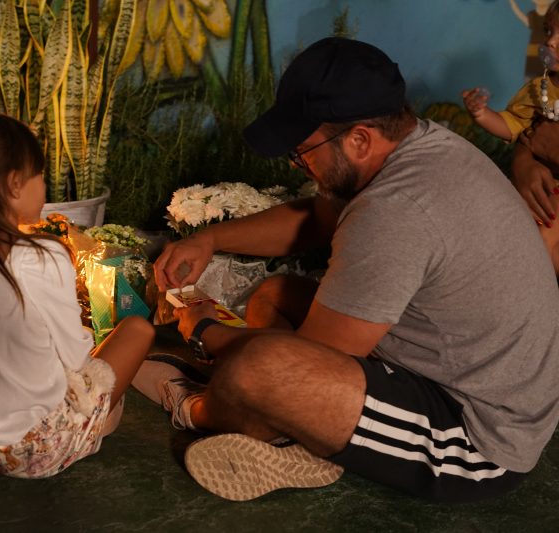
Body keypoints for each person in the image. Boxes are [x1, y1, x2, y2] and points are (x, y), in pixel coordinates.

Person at [137, 37, 559, 503]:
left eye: (303, 151)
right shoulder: (415, 142)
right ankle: (294, 436)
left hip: (474, 435)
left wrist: (204, 332)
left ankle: (195, 407)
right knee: (274, 294)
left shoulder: (397, 210)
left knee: (259, 370)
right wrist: (209, 238)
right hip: (438, 363)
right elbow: (317, 219)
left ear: (359, 139)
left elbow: (308, 356)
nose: (299, 162)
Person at [0, 111, 154, 478]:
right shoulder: (42, 256)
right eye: (40, 176)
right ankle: (94, 431)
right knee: (137, 332)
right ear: (15, 184)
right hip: (38, 449)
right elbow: (76, 357)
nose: (43, 185)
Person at [463, 1, 559, 228]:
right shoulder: (539, 89)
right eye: (549, 31)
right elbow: (513, 124)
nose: (550, 41)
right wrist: (482, 114)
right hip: (543, 194)